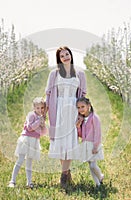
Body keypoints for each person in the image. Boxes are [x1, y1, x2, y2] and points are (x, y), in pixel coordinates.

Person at [45, 46, 87, 188]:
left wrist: (82, 115)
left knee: (70, 140)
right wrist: (43, 112)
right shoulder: (54, 74)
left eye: (67, 54)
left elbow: (83, 96)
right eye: (62, 56)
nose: (65, 57)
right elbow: (49, 94)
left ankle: (63, 176)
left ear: (71, 55)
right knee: (61, 142)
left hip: (73, 110)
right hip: (58, 110)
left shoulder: (80, 74)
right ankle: (66, 173)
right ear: (59, 59)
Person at [8, 97, 47, 188]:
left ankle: (29, 182)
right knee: (20, 160)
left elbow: (43, 133)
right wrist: (38, 121)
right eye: (38, 108)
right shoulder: (31, 115)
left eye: (42, 108)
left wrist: (43, 124)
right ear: (34, 107)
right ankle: (12, 180)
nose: (40, 110)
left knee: (29, 162)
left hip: (34, 141)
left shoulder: (41, 117)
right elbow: (30, 128)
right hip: (26, 139)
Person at [76, 97, 104, 187]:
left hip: (93, 145)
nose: (81, 109)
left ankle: (100, 176)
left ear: (89, 106)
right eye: (78, 107)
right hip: (85, 145)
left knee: (93, 165)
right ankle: (98, 184)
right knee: (90, 166)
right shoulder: (83, 120)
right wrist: (78, 126)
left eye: (82, 106)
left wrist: (96, 146)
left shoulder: (94, 117)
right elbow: (81, 135)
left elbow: (98, 133)